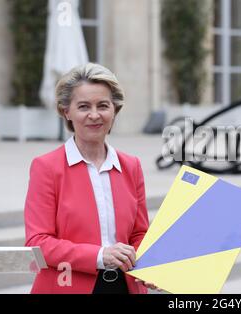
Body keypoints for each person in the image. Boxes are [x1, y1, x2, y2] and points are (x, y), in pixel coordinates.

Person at [24, 63, 153, 294]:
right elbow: (38, 242)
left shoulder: (131, 166)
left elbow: (139, 233)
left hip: (125, 287)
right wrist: (99, 255)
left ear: (115, 110)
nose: (94, 115)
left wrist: (149, 266)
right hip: (68, 287)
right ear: (67, 111)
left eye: (103, 105)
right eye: (83, 106)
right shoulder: (46, 167)